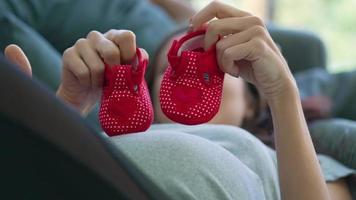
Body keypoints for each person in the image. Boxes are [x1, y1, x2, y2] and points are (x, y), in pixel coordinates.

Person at [3, 1, 335, 199]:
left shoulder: (295, 161)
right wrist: (68, 109)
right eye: (167, 71)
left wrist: (282, 91)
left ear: (252, 102)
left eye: (208, 67)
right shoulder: (125, 139)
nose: (186, 82)